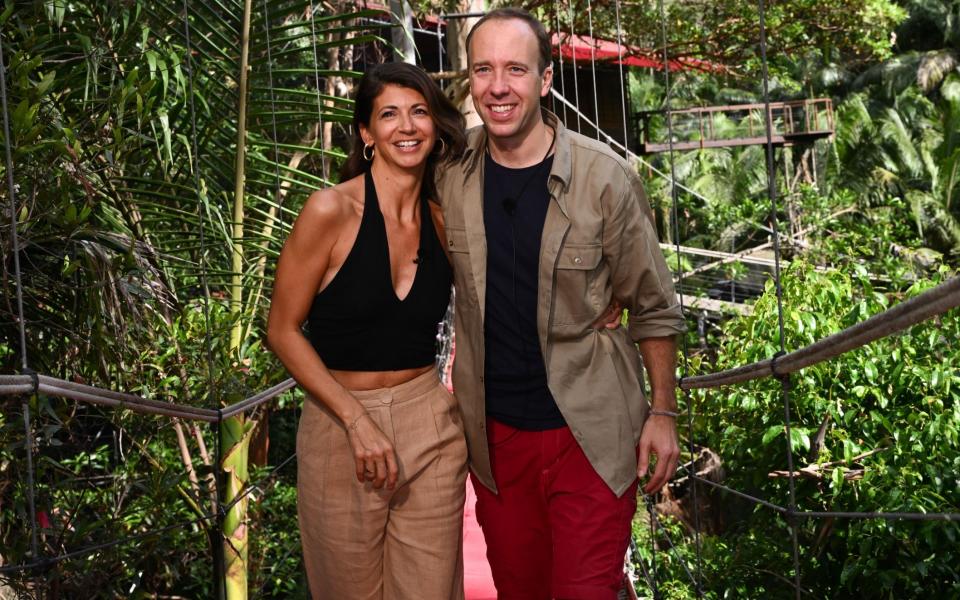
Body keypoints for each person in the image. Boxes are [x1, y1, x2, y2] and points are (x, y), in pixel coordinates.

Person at [436, 7, 686, 599]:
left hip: (590, 431)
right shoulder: (449, 173)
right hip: (495, 441)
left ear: (545, 80)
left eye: (516, 69)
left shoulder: (606, 180)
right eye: (484, 70)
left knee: (583, 590)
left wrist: (664, 413)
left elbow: (652, 304)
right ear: (470, 80)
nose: (498, 86)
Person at [266, 62, 468, 599]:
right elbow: (282, 329)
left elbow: (505, 285)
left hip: (430, 423)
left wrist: (602, 298)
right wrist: (356, 420)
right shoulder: (330, 210)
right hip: (340, 425)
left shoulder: (443, 219)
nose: (407, 126)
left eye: (419, 111)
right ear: (366, 132)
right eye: (389, 114)